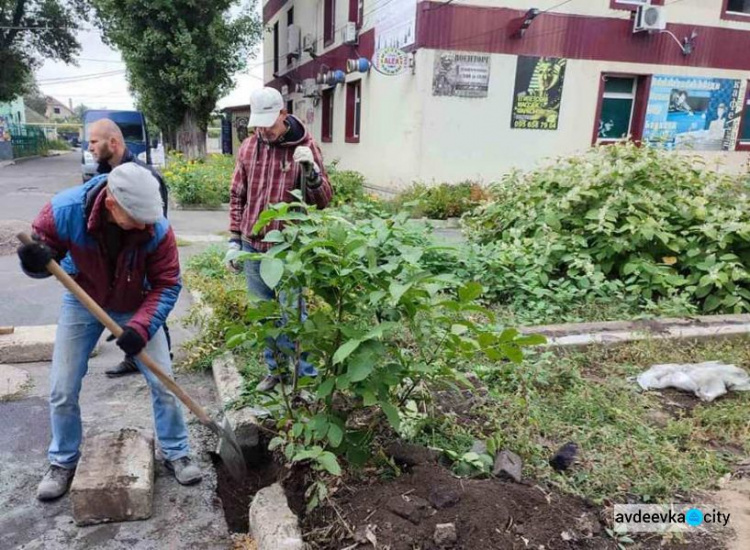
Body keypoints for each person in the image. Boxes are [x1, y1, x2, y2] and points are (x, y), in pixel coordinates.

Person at [18, 163, 201, 501]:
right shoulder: (63, 211)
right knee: (62, 386)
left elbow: (167, 284)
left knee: (164, 382)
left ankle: (177, 452)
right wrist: (33, 261)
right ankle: (62, 461)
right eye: (137, 218)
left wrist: (141, 327)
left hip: (137, 301)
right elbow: (45, 257)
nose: (145, 225)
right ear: (112, 204)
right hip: (82, 298)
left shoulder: (157, 229)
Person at [227, 87, 333, 392]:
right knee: (264, 315)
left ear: (284, 115)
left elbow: (324, 200)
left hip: (288, 249)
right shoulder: (249, 147)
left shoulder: (306, 147)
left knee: (292, 315)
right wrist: (234, 239)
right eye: (259, 124)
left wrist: (310, 172)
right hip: (252, 245)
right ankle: (277, 372)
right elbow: (237, 196)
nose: (264, 131)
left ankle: (306, 376)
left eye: (269, 124)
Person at [87, 118, 171, 378]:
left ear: (113, 142)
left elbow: (156, 225)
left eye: (93, 141)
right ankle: (134, 358)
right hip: (114, 262)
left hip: (139, 259)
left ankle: (161, 361)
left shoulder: (143, 177)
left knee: (150, 308)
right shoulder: (103, 175)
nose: (89, 147)